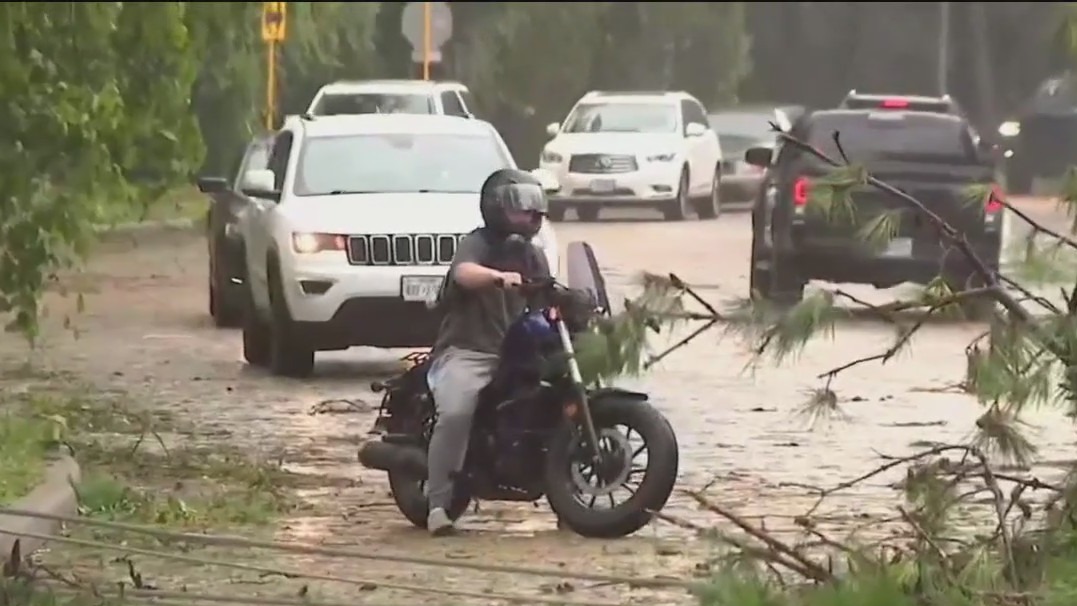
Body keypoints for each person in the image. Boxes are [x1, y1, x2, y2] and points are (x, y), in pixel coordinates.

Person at [424, 168, 551, 536]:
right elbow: (463, 272)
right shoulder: (478, 244)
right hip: (468, 350)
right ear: (496, 208)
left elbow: (547, 296)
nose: (530, 217)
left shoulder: (534, 256)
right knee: (456, 412)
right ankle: (437, 505)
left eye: (534, 210)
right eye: (521, 209)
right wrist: (496, 277)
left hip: (517, 352)